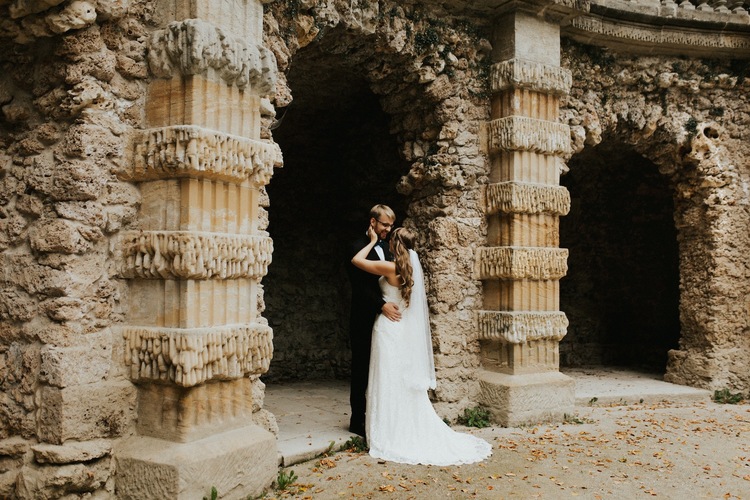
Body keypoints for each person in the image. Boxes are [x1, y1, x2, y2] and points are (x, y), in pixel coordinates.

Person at [352, 226, 492, 465]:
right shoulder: (410, 271)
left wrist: (373, 240)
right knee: (398, 381)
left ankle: (388, 430)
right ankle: (400, 424)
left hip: (388, 329)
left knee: (386, 378)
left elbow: (356, 260)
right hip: (401, 330)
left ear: (396, 245)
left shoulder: (390, 267)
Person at [346, 205, 402, 437]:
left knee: (384, 368)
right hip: (363, 315)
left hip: (387, 322)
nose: (388, 229)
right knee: (361, 367)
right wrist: (381, 305)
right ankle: (357, 420)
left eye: (390, 225)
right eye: (384, 224)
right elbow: (359, 286)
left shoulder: (389, 248)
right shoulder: (357, 247)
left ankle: (382, 416)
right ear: (373, 223)